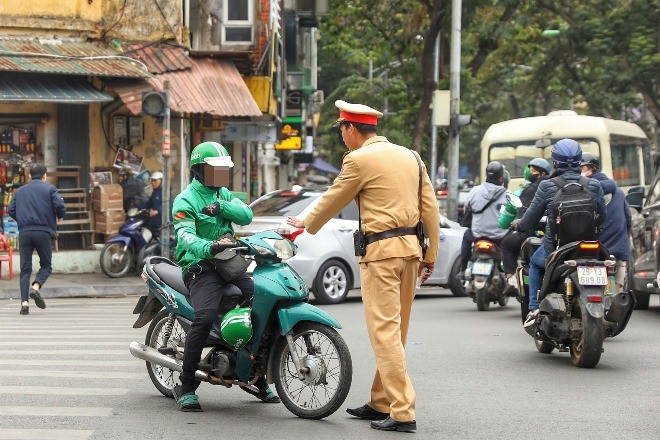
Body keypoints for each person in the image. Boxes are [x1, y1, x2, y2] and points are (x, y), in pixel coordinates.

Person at [287, 100, 440, 433]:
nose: (343, 137)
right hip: (411, 252)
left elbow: (333, 197)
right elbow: (429, 209)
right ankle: (381, 400)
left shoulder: (358, 160)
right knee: (396, 334)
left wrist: (303, 222)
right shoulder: (411, 157)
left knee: (384, 334)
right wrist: (431, 254)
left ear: (351, 128)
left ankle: (402, 412)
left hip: (382, 256)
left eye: (342, 129)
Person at [171, 141, 279, 412]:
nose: (222, 175)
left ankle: (256, 378)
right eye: (216, 170)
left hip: (229, 263)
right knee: (205, 316)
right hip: (200, 266)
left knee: (261, 304)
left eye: (223, 170)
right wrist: (208, 247)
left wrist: (221, 208)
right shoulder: (186, 200)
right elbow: (185, 236)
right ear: (199, 170)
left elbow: (247, 215)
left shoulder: (224, 194)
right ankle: (186, 386)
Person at [514, 139, 606, 328]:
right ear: (580, 159)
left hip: (555, 248)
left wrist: (519, 225)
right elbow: (603, 216)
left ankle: (534, 309)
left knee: (535, 263)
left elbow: (530, 219)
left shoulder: (547, 186)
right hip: (589, 249)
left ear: (555, 161)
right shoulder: (594, 185)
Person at [8, 164, 66, 315]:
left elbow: (11, 210)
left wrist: (22, 221)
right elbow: (59, 204)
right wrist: (60, 215)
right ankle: (35, 288)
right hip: (43, 232)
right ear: (44, 175)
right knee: (46, 265)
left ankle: (24, 305)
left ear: (29, 176)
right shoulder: (50, 189)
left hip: (25, 233)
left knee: (25, 269)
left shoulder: (20, 191)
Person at [579, 153, 631, 293]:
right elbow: (628, 219)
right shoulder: (619, 192)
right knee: (620, 265)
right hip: (616, 249)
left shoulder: (583, 191)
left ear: (591, 169)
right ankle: (616, 294)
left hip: (591, 248)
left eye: (581, 168)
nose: (579, 172)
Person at [498, 158, 551, 288]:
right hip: (554, 232)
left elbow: (525, 215)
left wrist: (520, 223)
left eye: (534, 171)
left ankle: (511, 277)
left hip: (532, 231)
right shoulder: (554, 186)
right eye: (531, 170)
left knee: (507, 244)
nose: (530, 173)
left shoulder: (527, 190)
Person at [460, 161, 509, 278]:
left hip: (477, 234)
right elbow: (513, 214)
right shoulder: (508, 194)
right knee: (512, 245)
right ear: (502, 177)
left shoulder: (475, 191)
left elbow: (466, 209)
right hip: (499, 236)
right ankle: (509, 273)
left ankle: (462, 269)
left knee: (466, 237)